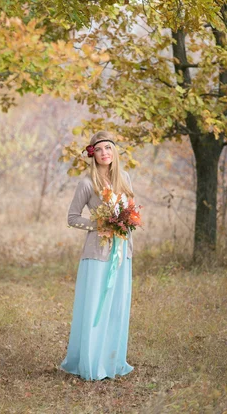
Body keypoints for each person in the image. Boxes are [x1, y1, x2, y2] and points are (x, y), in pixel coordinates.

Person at [60, 130, 135, 381]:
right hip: (97, 253)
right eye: (100, 149)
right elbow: (72, 218)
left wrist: (127, 223)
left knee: (116, 307)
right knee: (95, 307)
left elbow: (130, 212)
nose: (105, 153)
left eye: (108, 148)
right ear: (93, 154)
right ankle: (91, 363)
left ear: (114, 152)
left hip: (122, 252)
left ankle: (111, 362)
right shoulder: (86, 183)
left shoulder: (124, 178)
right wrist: (98, 225)